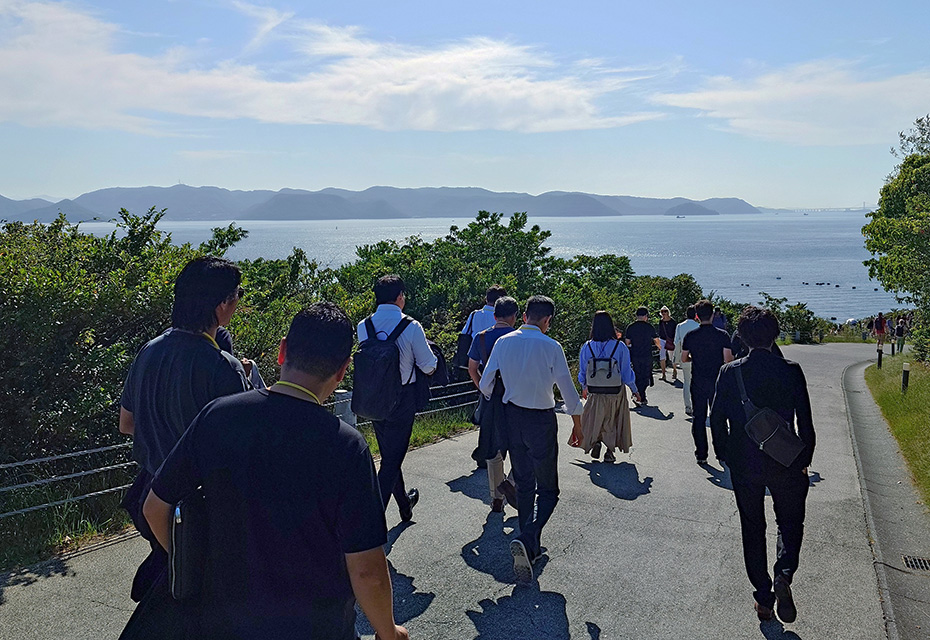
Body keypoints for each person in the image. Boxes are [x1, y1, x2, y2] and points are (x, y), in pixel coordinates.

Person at [142, 303, 408, 640]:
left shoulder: (217, 416)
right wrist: (389, 632)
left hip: (223, 623)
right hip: (316, 628)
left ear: (282, 351)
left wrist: (196, 568)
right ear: (343, 370)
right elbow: (367, 571)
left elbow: (154, 508)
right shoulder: (346, 446)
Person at [119, 256, 250, 602]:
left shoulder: (149, 351)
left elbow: (126, 423)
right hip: (202, 509)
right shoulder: (223, 367)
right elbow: (242, 449)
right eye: (237, 294)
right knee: (204, 597)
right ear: (223, 305)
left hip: (150, 494)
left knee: (176, 586)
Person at [710, 306, 815, 624]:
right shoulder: (791, 370)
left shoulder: (730, 372)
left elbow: (717, 419)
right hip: (787, 460)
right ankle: (784, 573)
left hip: (745, 462)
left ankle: (764, 598)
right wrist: (804, 459)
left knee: (753, 528)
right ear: (775, 335)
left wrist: (725, 455)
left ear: (741, 337)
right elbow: (805, 421)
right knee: (790, 523)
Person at [479, 295, 583, 583]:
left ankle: (530, 547)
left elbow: (486, 384)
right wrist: (577, 426)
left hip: (512, 419)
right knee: (548, 489)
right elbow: (569, 394)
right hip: (541, 420)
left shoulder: (503, 342)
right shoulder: (552, 346)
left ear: (524, 316)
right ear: (547, 320)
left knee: (524, 484)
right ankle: (528, 537)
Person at [358, 275, 437, 521]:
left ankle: (405, 504)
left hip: (374, 398)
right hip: (403, 399)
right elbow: (428, 366)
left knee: (390, 456)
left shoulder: (363, 326)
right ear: (400, 296)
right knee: (391, 461)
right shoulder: (411, 326)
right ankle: (371, 522)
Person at [467, 296, 520, 512]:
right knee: (520, 444)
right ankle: (512, 482)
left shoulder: (480, 338)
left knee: (493, 447)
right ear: (514, 316)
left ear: (495, 315)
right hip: (516, 397)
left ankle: (496, 496)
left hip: (491, 398)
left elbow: (472, 368)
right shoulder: (518, 338)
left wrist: (483, 388)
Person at [577, 311, 640, 463]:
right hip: (615, 390)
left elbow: (583, 371)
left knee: (595, 417)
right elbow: (626, 373)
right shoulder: (620, 346)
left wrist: (584, 386)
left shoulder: (587, 346)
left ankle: (597, 441)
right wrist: (635, 390)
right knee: (613, 419)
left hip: (595, 390)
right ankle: (609, 451)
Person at [681, 299, 733, 464]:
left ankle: (701, 454)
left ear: (697, 316)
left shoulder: (690, 336)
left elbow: (684, 358)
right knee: (718, 417)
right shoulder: (722, 335)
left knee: (699, 417)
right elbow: (728, 360)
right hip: (717, 381)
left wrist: (694, 358)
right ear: (712, 315)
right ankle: (722, 453)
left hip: (698, 380)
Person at [625, 307, 661, 406]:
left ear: (636, 316)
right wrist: (659, 347)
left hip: (635, 354)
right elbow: (656, 339)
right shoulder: (649, 327)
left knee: (637, 374)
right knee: (646, 374)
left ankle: (637, 394)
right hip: (647, 354)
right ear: (646, 316)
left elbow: (627, 342)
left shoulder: (631, 327)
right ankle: (642, 395)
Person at [674, 305, 699, 416]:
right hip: (697, 358)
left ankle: (688, 406)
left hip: (684, 357)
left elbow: (676, 342)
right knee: (697, 383)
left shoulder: (680, 326)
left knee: (687, 381)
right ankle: (696, 404)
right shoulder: (698, 326)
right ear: (696, 315)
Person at [657, 306, 677, 382]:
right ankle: (663, 374)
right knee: (662, 357)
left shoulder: (673, 322)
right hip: (662, 340)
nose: (663, 313)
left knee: (672, 357)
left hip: (671, 340)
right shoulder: (661, 322)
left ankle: (674, 370)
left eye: (665, 311)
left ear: (668, 312)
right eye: (662, 311)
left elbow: (675, 332)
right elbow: (659, 332)